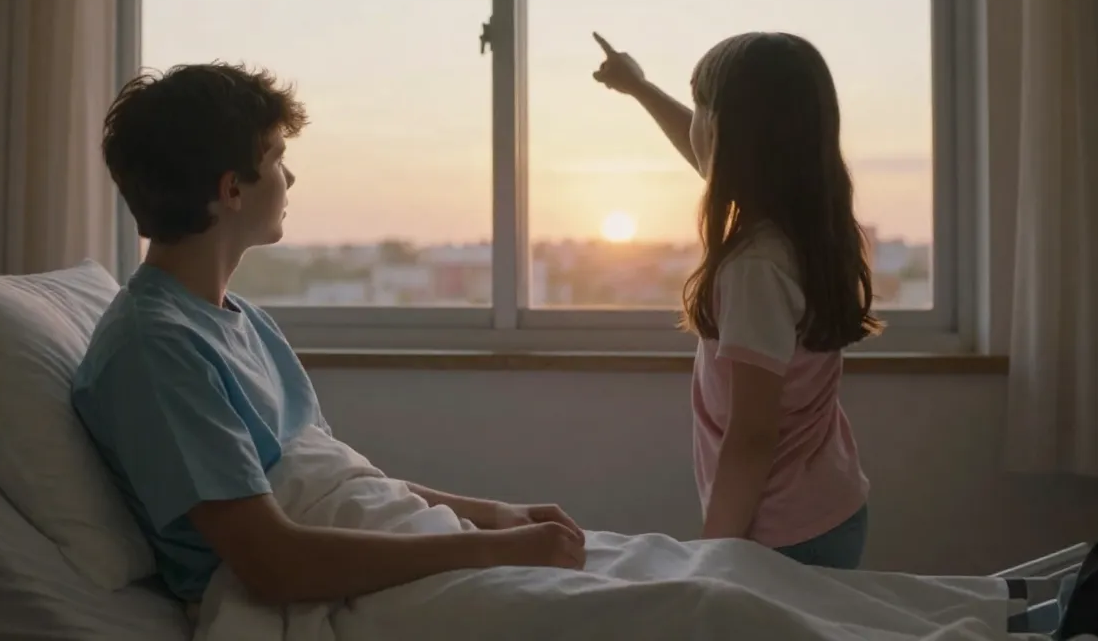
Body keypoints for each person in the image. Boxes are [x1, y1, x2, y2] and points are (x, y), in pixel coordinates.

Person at [71, 63, 585, 607]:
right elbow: (275, 564)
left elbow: (342, 483)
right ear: (232, 189)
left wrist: (495, 517)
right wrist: (493, 550)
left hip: (383, 548)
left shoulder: (244, 321)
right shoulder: (156, 349)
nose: (289, 179)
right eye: (276, 159)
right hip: (318, 597)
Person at [592, 31, 878, 569]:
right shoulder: (803, 229)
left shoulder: (754, 269)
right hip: (827, 509)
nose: (695, 123)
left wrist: (711, 555)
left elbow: (752, 436)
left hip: (783, 533)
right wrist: (640, 88)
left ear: (734, 136)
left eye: (703, 107)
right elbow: (707, 154)